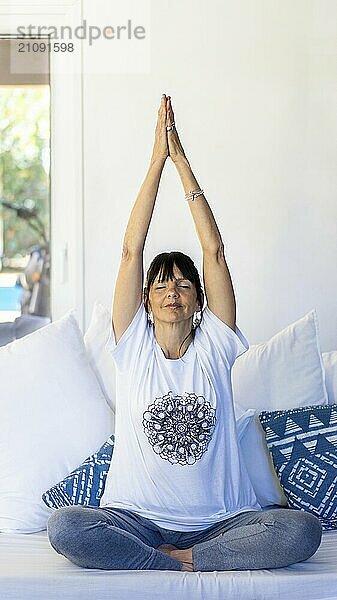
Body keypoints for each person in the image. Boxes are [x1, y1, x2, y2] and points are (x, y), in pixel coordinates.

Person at [47, 94, 322, 572]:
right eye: (160, 284)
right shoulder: (132, 348)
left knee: (302, 530)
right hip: (136, 520)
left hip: (223, 522)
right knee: (64, 527)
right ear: (147, 304)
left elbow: (214, 252)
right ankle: (169, 560)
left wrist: (182, 162)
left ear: (197, 301)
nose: (171, 290)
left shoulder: (216, 345)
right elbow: (131, 251)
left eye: (182, 283)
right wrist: (156, 161)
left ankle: (190, 556)